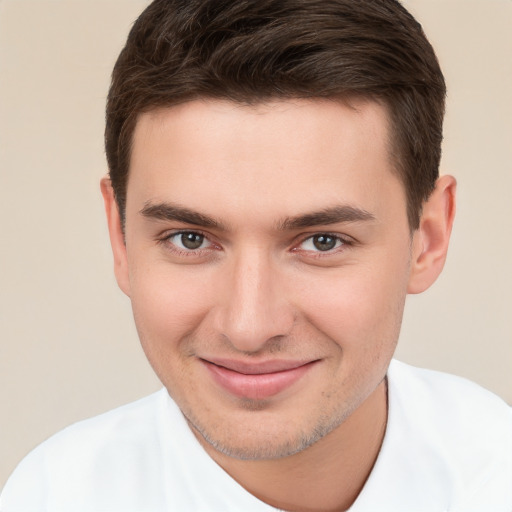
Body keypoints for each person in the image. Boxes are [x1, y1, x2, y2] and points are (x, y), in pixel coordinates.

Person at [1, 0, 511, 510]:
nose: (249, 326)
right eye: (190, 239)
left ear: (428, 238)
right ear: (120, 237)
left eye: (322, 241)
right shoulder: (50, 496)